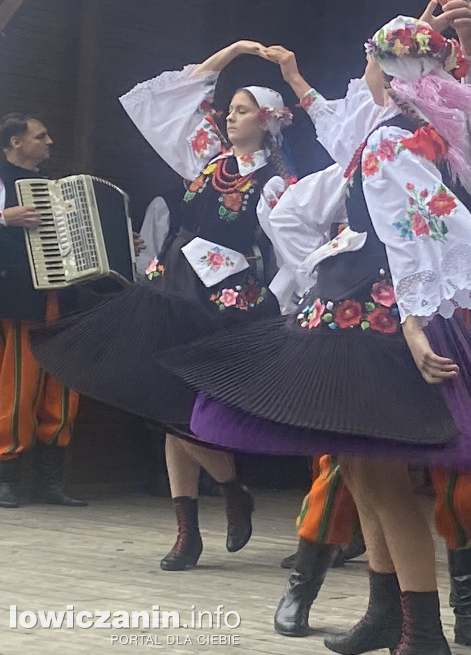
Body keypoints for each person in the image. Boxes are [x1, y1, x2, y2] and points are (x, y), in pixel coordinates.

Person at [161, 11, 471, 655]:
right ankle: (388, 613)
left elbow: (421, 228)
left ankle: (423, 632)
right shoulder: (408, 132)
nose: (359, 76)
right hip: (361, 308)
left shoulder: (399, 141)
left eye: (368, 63)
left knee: (382, 479)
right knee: (361, 471)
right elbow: (331, 202)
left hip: (381, 318)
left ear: (386, 75)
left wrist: (415, 323)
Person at [30, 41, 294, 570]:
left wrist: (278, 303)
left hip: (219, 292)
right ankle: (198, 521)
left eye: (241, 110)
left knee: (184, 404)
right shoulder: (207, 155)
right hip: (173, 279)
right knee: (163, 401)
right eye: (230, 108)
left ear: (267, 121)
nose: (229, 115)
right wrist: (236, 50)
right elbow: (181, 91)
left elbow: (289, 251)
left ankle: (224, 498)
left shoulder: (276, 184)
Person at [0, 113, 87, 509]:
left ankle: (50, 480)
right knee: (17, 387)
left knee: (62, 389)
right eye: (41, 135)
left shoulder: (55, 187)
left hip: (60, 298)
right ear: (16, 142)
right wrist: (3, 218)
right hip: (18, 296)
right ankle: (7, 477)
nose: (49, 142)